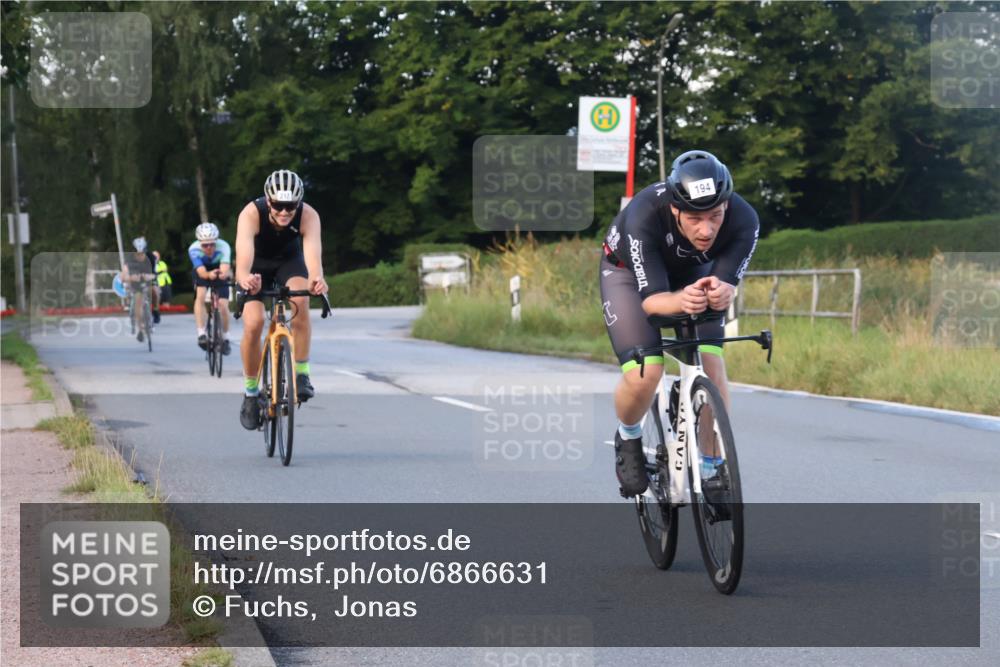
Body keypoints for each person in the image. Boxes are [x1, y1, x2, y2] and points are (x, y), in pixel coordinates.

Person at [600, 150, 759, 496]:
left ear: (727, 206)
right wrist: (680, 300)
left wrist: (722, 291)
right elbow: (654, 303)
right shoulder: (644, 214)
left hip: (691, 273)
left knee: (712, 364)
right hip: (628, 275)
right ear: (675, 210)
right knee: (646, 372)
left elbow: (727, 280)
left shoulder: (745, 220)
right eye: (695, 219)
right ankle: (628, 437)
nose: (707, 230)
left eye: (715, 216)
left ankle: (713, 465)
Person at [234, 169, 328, 430]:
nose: (285, 212)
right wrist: (244, 278)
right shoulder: (251, 213)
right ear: (268, 200)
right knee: (253, 323)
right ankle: (251, 393)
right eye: (278, 205)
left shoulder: (308, 215)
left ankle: (302, 373)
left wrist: (317, 279)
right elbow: (243, 256)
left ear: (298, 204)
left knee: (302, 300)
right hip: (255, 265)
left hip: (289, 261)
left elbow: (312, 256)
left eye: (290, 206)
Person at [188, 222, 232, 355]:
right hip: (203, 270)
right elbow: (201, 272)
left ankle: (225, 337)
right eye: (205, 245)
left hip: (219, 269)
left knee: (223, 305)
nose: (209, 247)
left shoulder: (224, 246)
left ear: (216, 241)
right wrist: (209, 275)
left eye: (212, 244)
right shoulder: (193, 249)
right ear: (199, 242)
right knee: (200, 296)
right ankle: (201, 333)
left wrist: (220, 274)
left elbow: (224, 270)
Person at [122, 237, 159, 341]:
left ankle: (155, 310)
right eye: (137, 253)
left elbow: (155, 272)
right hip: (135, 280)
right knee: (138, 300)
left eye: (142, 253)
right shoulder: (129, 258)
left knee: (154, 290)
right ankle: (141, 328)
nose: (140, 255)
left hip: (148, 277)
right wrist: (128, 278)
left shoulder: (151, 257)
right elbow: (124, 274)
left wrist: (151, 277)